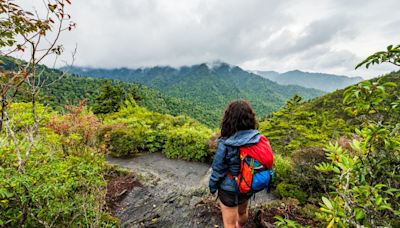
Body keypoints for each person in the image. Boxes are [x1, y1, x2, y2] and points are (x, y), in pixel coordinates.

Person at [209, 99, 263, 228]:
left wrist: (212, 187)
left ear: (228, 119)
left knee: (229, 224)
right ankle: (240, 225)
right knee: (243, 211)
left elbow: (218, 169)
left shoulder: (225, 142)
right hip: (247, 183)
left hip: (229, 188)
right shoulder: (256, 139)